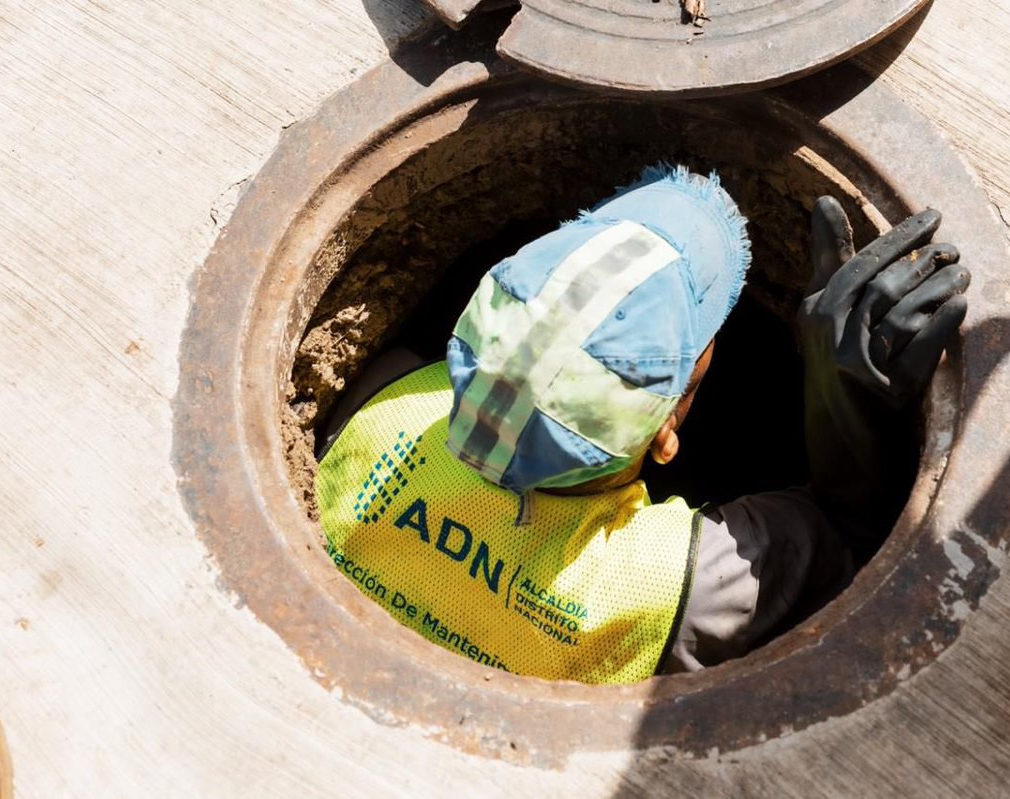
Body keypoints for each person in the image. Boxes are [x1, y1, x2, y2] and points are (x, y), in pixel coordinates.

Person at [314, 165, 970, 684]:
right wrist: (843, 403)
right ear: (666, 435)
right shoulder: (685, 588)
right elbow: (858, 548)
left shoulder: (384, 399)